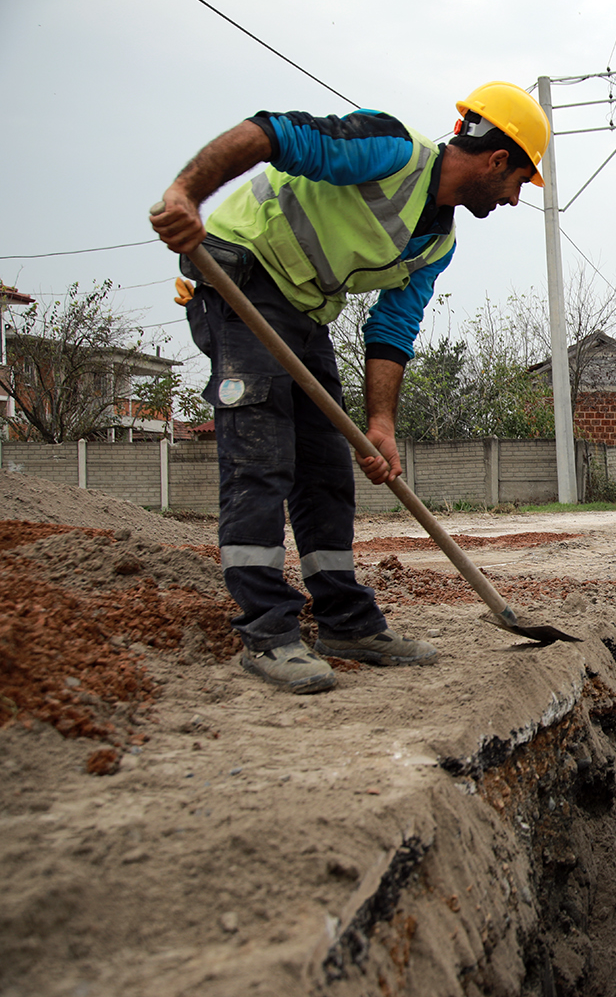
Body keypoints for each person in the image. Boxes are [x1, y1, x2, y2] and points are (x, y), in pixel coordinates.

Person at [149, 82, 549, 695]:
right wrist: (186, 195)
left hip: (304, 312)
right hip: (241, 278)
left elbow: (393, 328)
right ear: (497, 160)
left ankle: (344, 623)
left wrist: (381, 424)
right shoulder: (389, 151)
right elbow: (271, 133)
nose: (516, 197)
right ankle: (268, 632)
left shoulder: (436, 241)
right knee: (262, 461)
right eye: (519, 180)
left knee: (327, 471)